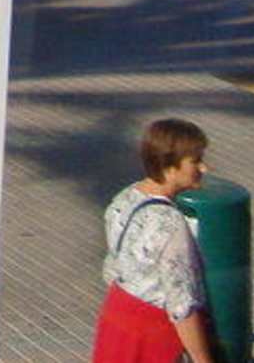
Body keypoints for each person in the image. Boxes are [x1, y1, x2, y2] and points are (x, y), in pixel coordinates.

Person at [91, 117, 218, 363]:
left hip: (116, 321)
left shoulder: (125, 198)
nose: (204, 168)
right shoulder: (170, 224)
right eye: (195, 161)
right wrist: (203, 359)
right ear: (169, 167)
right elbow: (182, 306)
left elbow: (112, 267)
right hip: (152, 335)